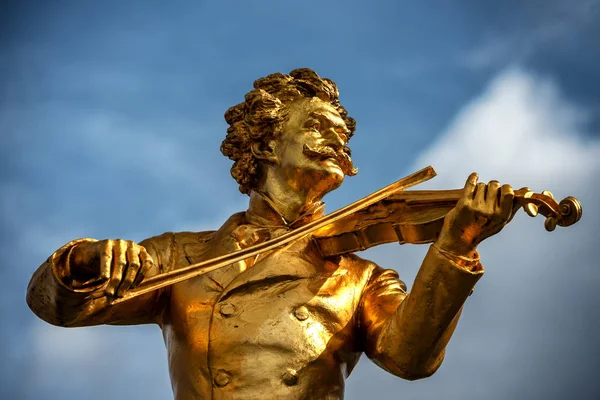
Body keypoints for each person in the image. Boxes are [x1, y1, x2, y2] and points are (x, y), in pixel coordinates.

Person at [27, 68, 515, 399]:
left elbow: (409, 359)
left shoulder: (362, 278)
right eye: (321, 127)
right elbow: (58, 309)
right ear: (265, 142)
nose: (340, 144)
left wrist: (455, 245)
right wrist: (85, 261)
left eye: (344, 136)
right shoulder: (182, 255)